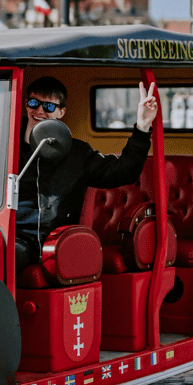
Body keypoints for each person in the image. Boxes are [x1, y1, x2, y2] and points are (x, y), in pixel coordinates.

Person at [15, 76, 158, 275]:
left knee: (6, 255)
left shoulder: (77, 153)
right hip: (8, 233)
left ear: (61, 112)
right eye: (33, 102)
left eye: (48, 106)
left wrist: (142, 126)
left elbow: (124, 171)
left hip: (50, 241)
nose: (39, 110)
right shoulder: (5, 145)